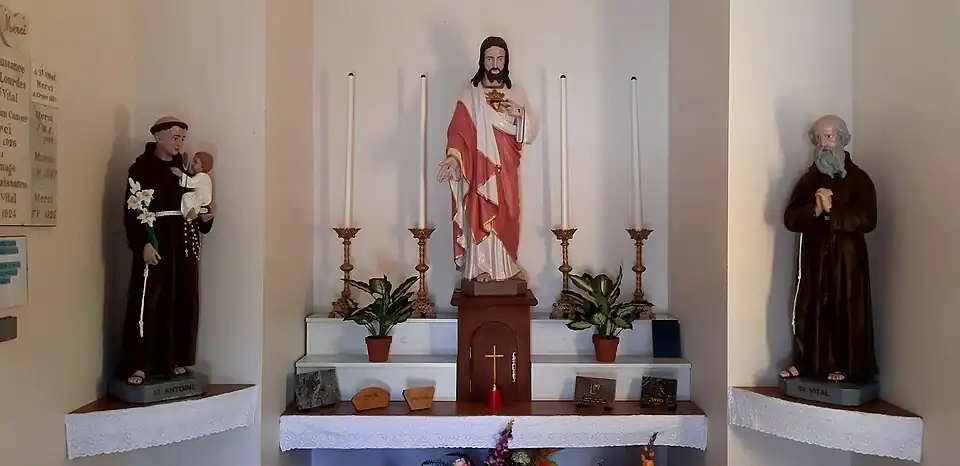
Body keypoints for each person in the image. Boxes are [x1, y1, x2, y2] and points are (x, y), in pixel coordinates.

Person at [781, 114, 878, 383]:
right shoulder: (808, 180)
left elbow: (868, 218)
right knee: (808, 306)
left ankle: (846, 364)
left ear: (842, 138)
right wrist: (814, 209)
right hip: (813, 256)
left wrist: (834, 210)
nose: (825, 143)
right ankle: (807, 361)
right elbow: (790, 217)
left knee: (844, 307)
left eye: (830, 136)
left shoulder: (859, 179)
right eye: (820, 137)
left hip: (847, 259)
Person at [119, 116, 215, 385]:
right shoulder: (141, 169)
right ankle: (140, 362)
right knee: (150, 300)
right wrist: (143, 244)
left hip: (182, 242)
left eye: (183, 138)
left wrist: (206, 217)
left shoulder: (185, 169)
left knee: (180, 299)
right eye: (175, 137)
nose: (180, 143)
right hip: (157, 241)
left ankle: (173, 358)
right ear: (158, 137)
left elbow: (195, 200)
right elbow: (132, 211)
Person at [436, 36, 539, 283]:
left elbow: (530, 132)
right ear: (482, 61)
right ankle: (478, 267)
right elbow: (457, 132)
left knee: (509, 212)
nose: (495, 64)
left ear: (506, 61)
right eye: (490, 58)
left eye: (500, 59)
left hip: (507, 169)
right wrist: (453, 158)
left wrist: (520, 115)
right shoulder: (469, 95)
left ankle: (504, 266)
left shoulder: (516, 93)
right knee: (480, 207)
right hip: (479, 168)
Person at [171, 151, 214, 221]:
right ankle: (196, 212)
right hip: (200, 196)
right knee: (191, 200)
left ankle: (192, 214)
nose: (193, 164)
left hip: (201, 196)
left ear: (203, 166)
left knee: (186, 197)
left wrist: (180, 174)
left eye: (195, 162)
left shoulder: (202, 176)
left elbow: (191, 182)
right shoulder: (202, 176)